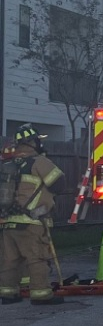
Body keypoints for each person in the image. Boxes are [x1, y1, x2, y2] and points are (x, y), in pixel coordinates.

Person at [0, 124, 65, 305]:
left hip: (7, 222)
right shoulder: (39, 162)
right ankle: (41, 294)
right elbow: (60, 184)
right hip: (31, 222)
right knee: (37, 258)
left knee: (9, 260)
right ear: (32, 143)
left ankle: (8, 293)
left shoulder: (7, 165)